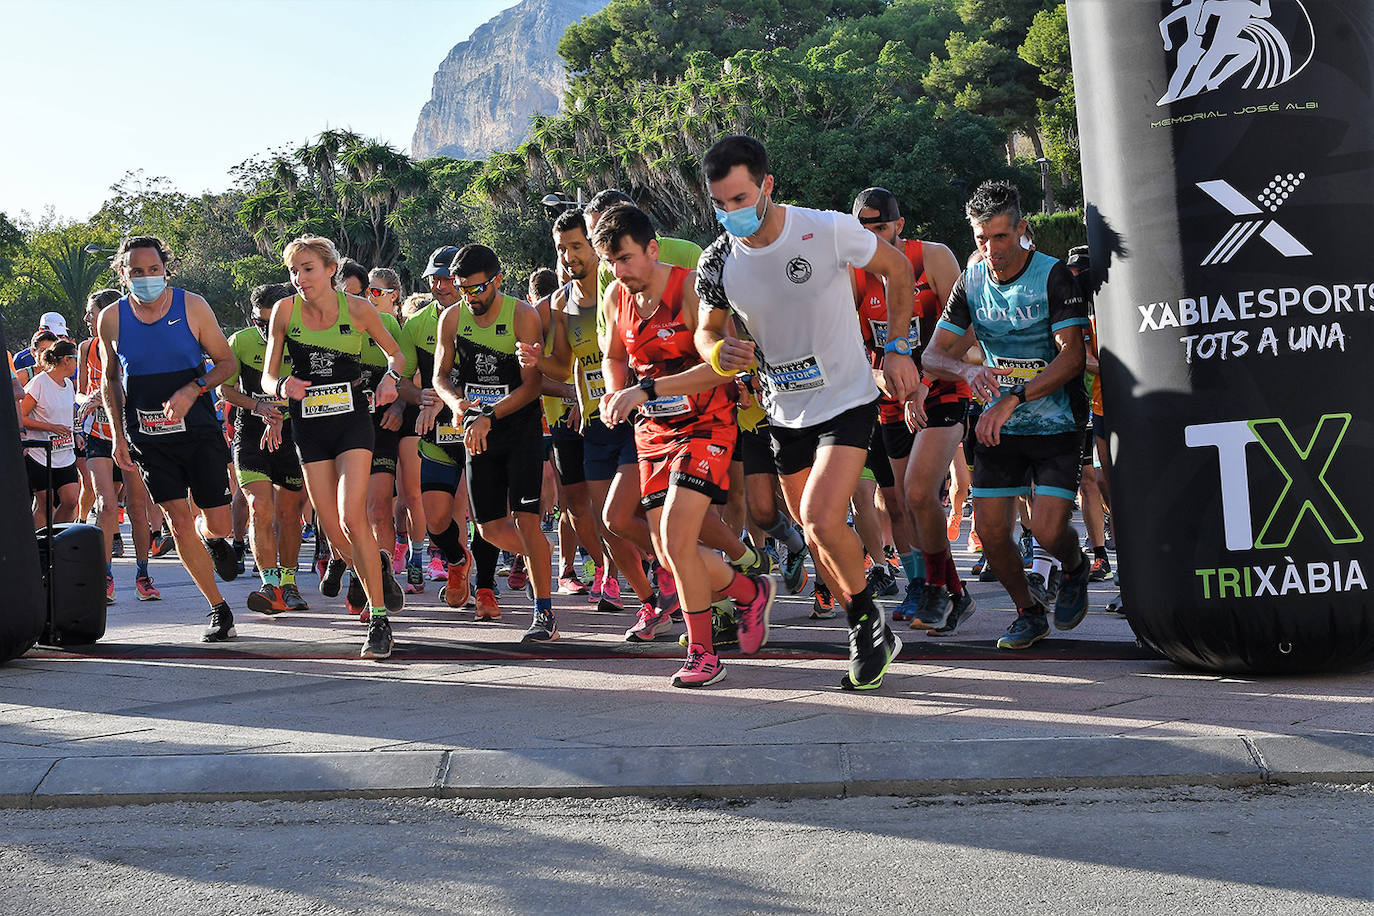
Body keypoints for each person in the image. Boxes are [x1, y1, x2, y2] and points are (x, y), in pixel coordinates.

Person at [694, 135, 920, 691]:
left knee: (821, 516)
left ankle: (865, 621)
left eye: (740, 199)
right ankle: (867, 620)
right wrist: (718, 351)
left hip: (848, 399)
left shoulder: (825, 229)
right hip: (784, 410)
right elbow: (705, 330)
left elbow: (897, 271)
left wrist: (896, 347)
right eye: (720, 203)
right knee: (814, 533)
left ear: (768, 186)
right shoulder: (718, 259)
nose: (732, 213)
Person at [595, 205, 776, 686]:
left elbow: (723, 364)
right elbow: (615, 355)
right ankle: (748, 592)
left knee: (677, 537)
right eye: (612, 262)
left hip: (708, 424)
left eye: (628, 259)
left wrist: (647, 390)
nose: (621, 271)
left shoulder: (692, 288)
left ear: (652, 248)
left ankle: (704, 654)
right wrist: (616, 392)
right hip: (652, 431)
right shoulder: (615, 295)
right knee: (671, 549)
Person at [921, 181, 1093, 650]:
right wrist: (964, 370)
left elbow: (1072, 358)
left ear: (1022, 229)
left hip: (1056, 421)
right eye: (981, 238)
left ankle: (1075, 568)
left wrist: (1013, 396)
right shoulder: (971, 280)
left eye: (1000, 237)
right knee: (991, 533)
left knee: (1048, 528)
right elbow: (933, 356)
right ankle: (1029, 611)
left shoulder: (1054, 275)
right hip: (1000, 426)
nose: (991, 249)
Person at [261, 235, 406, 659]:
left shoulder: (358, 309)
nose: (300, 277)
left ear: (330, 270)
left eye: (308, 268)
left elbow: (396, 356)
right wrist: (282, 385)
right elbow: (269, 377)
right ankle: (377, 565)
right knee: (334, 530)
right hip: (309, 427)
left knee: (351, 515)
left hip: (351, 424)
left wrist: (388, 380)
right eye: (293, 270)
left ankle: (379, 619)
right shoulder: (285, 312)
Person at [97, 235, 241, 642]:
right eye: (136, 272)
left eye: (153, 270)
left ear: (166, 269)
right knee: (177, 520)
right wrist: (118, 434)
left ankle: (211, 537)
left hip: (197, 429)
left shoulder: (192, 306)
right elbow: (111, 381)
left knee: (217, 521)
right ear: (123, 275)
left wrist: (194, 388)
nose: (146, 278)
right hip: (149, 435)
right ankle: (218, 608)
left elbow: (226, 363)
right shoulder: (112, 317)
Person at [847, 187, 977, 635]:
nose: (870, 237)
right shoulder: (854, 274)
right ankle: (934, 587)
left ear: (899, 226)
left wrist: (921, 383)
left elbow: (965, 330)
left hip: (940, 387)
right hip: (889, 399)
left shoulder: (934, 257)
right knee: (901, 501)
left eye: (879, 227)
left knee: (922, 493)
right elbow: (849, 343)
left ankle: (939, 587)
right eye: (861, 229)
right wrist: (881, 378)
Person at [523, 209, 660, 616]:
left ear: (597, 247)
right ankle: (650, 603)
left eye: (577, 246)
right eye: (561, 248)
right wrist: (534, 359)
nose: (568, 256)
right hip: (598, 421)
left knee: (630, 512)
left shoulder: (620, 288)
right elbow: (565, 366)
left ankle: (682, 573)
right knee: (607, 521)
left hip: (641, 415)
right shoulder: (561, 302)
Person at [432, 244, 557, 642]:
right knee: (486, 530)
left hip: (517, 428)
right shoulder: (451, 319)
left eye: (478, 289)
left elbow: (533, 385)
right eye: (464, 289)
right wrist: (456, 403)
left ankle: (544, 612)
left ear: (497, 280)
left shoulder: (522, 315)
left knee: (526, 520)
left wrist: (489, 415)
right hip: (475, 429)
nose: (471, 298)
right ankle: (540, 556)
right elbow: (441, 376)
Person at [221, 283, 310, 615]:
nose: (266, 329)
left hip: (293, 436)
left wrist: (281, 413)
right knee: (260, 508)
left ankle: (289, 583)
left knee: (289, 515)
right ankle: (269, 583)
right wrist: (259, 407)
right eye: (260, 322)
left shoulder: (302, 338)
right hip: (251, 435)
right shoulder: (240, 341)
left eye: (273, 323)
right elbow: (226, 391)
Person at [402, 247, 482, 614]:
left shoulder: (479, 315)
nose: (440, 284)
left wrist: (449, 400)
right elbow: (401, 380)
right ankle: (456, 560)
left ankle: (481, 586)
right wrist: (422, 396)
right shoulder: (417, 324)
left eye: (447, 277)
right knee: (436, 518)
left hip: (476, 426)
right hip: (435, 436)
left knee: (470, 512)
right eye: (434, 278)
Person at [78, 288, 160, 603]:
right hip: (100, 434)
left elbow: (144, 389)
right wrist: (90, 399)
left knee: (138, 508)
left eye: (92, 311)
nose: (87, 318)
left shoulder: (135, 343)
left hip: (133, 435)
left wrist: (114, 396)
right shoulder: (88, 347)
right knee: (106, 505)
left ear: (110, 312)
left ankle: (143, 575)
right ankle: (104, 577)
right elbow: (80, 392)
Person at [369, 269, 427, 596]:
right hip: (371, 421)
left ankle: (417, 558)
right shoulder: (359, 327)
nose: (369, 298)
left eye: (377, 293)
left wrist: (399, 407)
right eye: (367, 292)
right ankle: (385, 555)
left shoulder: (404, 327)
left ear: (394, 295)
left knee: (411, 493)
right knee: (383, 500)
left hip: (407, 414)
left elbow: (411, 375)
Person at [21, 339, 80, 528]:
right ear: (65, 360)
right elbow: (20, 416)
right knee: (45, 503)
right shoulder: (39, 383)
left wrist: (77, 433)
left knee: (71, 501)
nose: (77, 364)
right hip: (40, 454)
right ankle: (40, 548)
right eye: (75, 359)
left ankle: (56, 542)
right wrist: (50, 427)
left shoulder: (69, 385)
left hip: (64, 453)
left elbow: (69, 414)